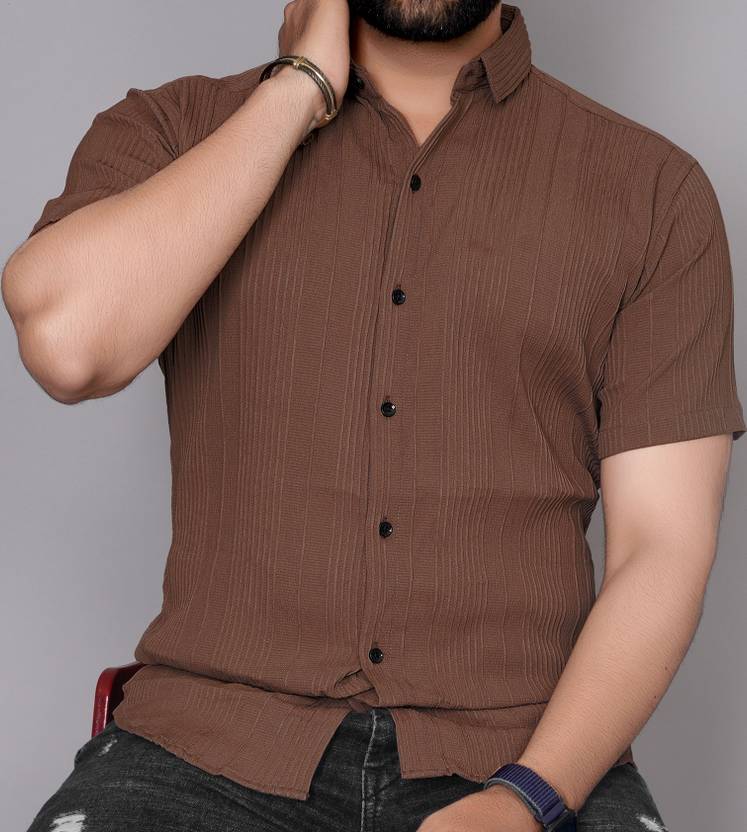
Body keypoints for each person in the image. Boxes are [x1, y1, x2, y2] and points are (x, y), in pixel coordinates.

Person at [5, 1, 744, 830]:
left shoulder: (653, 192)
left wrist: (527, 797)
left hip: (528, 752)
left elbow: (660, 548)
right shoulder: (176, 129)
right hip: (201, 753)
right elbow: (68, 347)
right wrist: (298, 89)